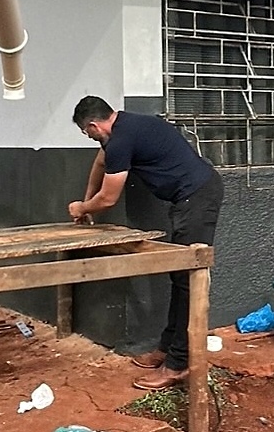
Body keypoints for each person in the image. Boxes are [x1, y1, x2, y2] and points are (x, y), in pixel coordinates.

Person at [69, 95, 223, 391]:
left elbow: (110, 197)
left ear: (93, 125)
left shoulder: (122, 138)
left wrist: (82, 208)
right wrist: (87, 198)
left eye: (86, 133)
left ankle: (178, 364)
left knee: (188, 279)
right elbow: (102, 161)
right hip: (190, 198)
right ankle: (168, 348)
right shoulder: (126, 126)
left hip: (197, 198)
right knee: (179, 276)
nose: (90, 138)